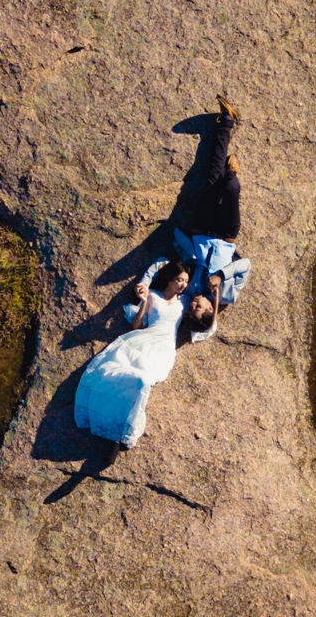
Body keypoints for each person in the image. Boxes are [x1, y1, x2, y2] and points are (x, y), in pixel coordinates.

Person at [73, 259, 191, 449]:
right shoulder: (153, 295)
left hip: (164, 350)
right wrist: (144, 301)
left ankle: (121, 433)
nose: (183, 285)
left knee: (142, 382)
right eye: (179, 279)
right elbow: (136, 325)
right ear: (169, 279)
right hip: (142, 342)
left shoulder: (185, 301)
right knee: (128, 380)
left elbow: (206, 316)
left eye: (185, 281)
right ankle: (116, 433)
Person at [172, 94, 252, 340]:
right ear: (209, 309)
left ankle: (226, 121)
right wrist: (220, 276)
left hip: (202, 227)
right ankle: (232, 173)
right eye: (198, 308)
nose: (194, 304)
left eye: (191, 308)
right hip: (227, 233)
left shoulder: (189, 289)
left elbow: (181, 260)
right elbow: (245, 265)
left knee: (213, 173)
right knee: (230, 186)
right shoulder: (228, 294)